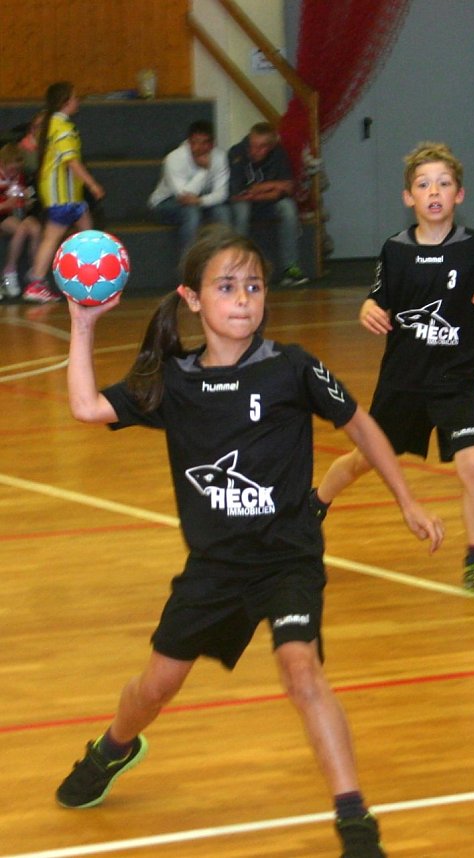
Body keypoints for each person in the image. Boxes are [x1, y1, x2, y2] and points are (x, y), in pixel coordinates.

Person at [56, 225, 443, 858]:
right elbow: (85, 408)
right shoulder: (174, 380)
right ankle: (112, 749)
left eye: (254, 286)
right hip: (213, 567)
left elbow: (364, 427)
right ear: (192, 298)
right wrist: (83, 324)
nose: (243, 300)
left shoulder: (292, 368)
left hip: (287, 557)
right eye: (227, 287)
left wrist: (408, 499)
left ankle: (355, 821)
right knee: (154, 688)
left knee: (301, 670)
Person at [316, 142, 474, 600]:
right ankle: (315, 504)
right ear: (409, 197)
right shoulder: (396, 250)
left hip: (454, 382)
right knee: (363, 460)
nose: (434, 192)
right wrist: (367, 309)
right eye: (424, 184)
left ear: (459, 195)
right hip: (402, 382)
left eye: (444, 184)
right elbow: (377, 298)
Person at [23, 81, 105, 304]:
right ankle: (36, 282)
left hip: (69, 195)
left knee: (88, 233)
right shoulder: (62, 128)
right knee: (52, 237)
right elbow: (72, 162)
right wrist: (92, 184)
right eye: (75, 97)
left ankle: (92, 279)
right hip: (62, 194)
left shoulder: (51, 124)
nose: (78, 101)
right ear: (65, 102)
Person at [228, 121, 309, 288]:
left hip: (268, 204)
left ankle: (291, 268)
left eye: (261, 147)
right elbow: (239, 194)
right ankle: (237, 268)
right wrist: (273, 188)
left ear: (271, 147)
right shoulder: (236, 152)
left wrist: (260, 188)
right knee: (241, 212)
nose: (254, 151)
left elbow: (288, 187)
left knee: (288, 208)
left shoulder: (279, 154)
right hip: (245, 204)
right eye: (252, 145)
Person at [148, 120, 230, 254]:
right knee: (191, 212)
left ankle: (226, 258)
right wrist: (203, 170)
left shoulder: (220, 157)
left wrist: (200, 201)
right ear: (188, 142)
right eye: (194, 142)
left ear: (212, 144)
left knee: (223, 211)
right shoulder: (174, 158)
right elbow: (184, 196)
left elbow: (222, 193)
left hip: (200, 201)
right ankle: (189, 265)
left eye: (204, 143)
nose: (199, 147)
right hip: (165, 203)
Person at [0, 143, 41, 299]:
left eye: (18, 169)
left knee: (35, 227)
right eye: (12, 169)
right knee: (21, 228)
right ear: (2, 164)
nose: (15, 172)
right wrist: (6, 204)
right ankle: (8, 273)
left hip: (14, 214)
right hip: (3, 215)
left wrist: (26, 200)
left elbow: (24, 199)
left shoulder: (18, 176)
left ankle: (35, 273)